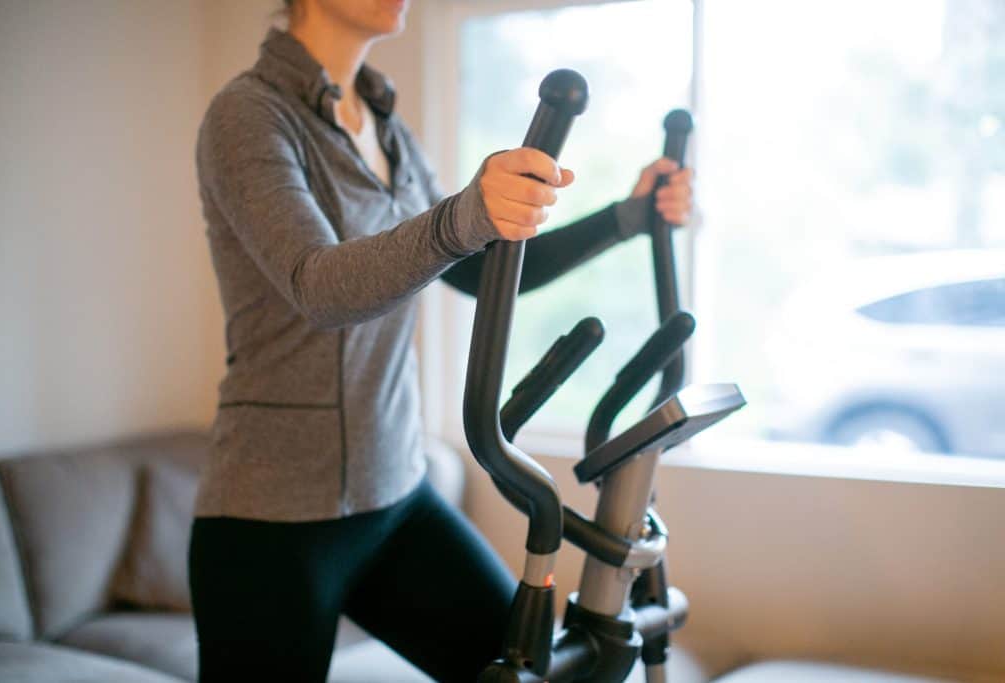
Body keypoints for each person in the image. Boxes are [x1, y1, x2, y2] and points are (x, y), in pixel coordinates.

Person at [187, 1, 695, 681]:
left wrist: (629, 215)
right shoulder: (248, 115)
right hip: (270, 520)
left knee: (524, 669)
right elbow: (320, 286)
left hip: (396, 492)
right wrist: (464, 214)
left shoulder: (385, 127)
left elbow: (484, 266)